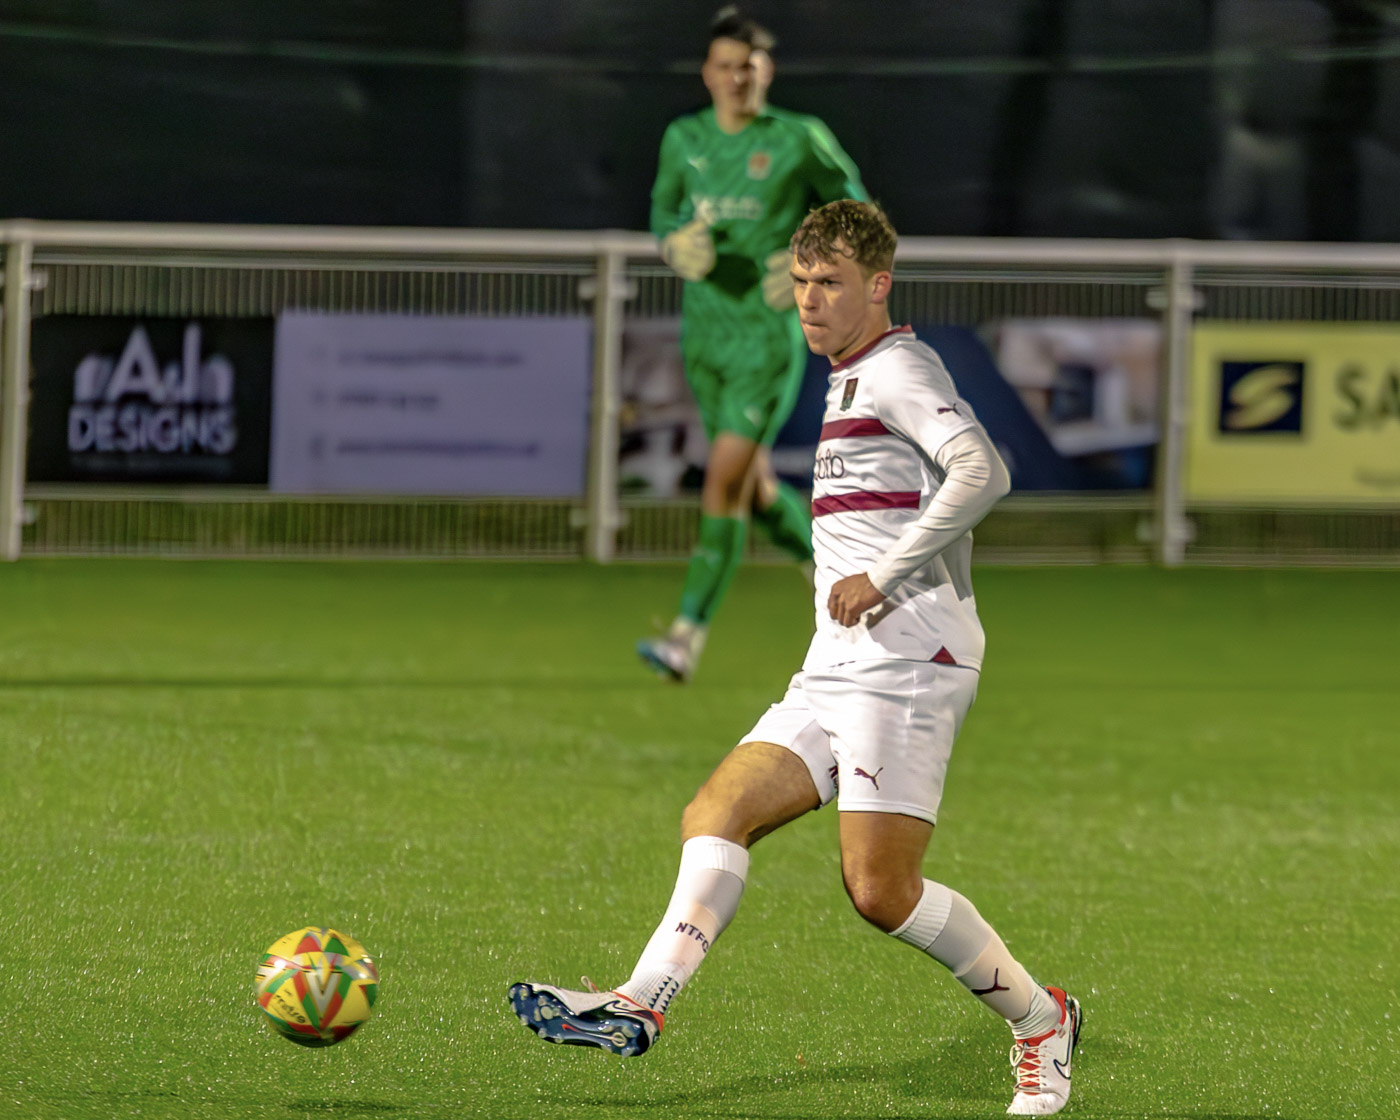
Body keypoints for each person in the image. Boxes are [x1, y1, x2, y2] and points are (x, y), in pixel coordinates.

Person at [510, 200, 1084, 1117]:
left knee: (880, 890)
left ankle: (1041, 1020)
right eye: (803, 284)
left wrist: (887, 574)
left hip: (909, 661)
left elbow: (985, 470)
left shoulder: (899, 367)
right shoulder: (847, 374)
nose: (810, 302)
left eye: (832, 285)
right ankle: (639, 1004)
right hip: (838, 659)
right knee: (718, 809)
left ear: (879, 287)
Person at [638, 6, 868, 683]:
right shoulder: (683, 137)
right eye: (727, 66)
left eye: (751, 66)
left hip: (768, 337)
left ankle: (685, 636)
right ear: (708, 74)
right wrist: (675, 243)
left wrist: (813, 259)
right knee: (757, 488)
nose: (739, 77)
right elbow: (661, 212)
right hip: (704, 335)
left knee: (724, 478)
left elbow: (857, 210)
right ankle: (844, 588)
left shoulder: (799, 138)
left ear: (766, 72)